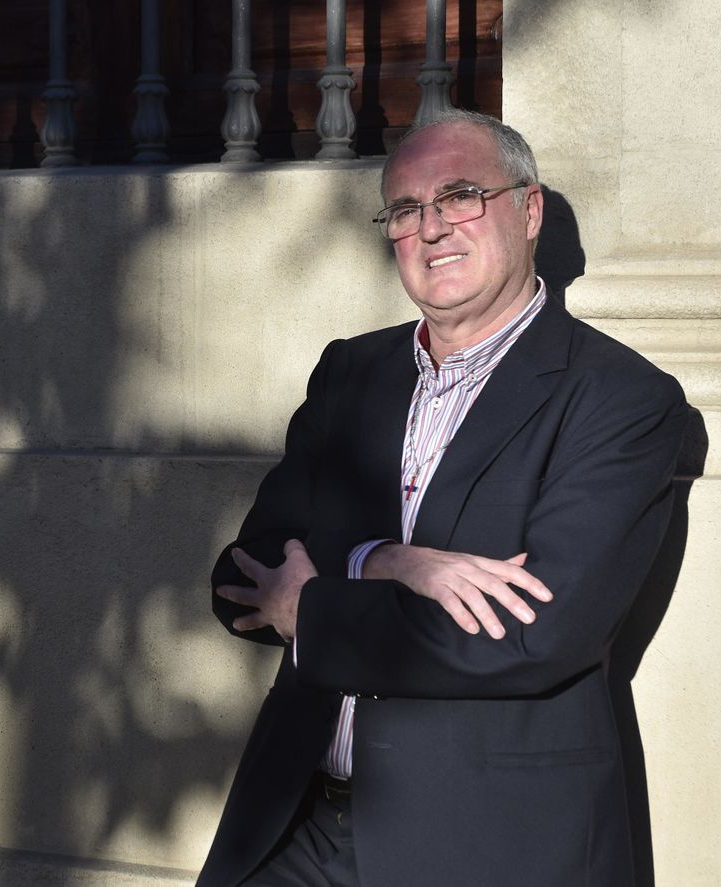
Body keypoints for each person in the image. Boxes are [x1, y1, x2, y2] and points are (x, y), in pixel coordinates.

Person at [197, 109, 689, 887]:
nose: (430, 229)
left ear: (529, 211)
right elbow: (243, 577)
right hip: (299, 829)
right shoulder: (351, 374)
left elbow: (534, 631)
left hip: (486, 845)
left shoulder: (619, 400)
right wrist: (387, 560)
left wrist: (313, 607)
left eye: (460, 196)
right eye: (405, 209)